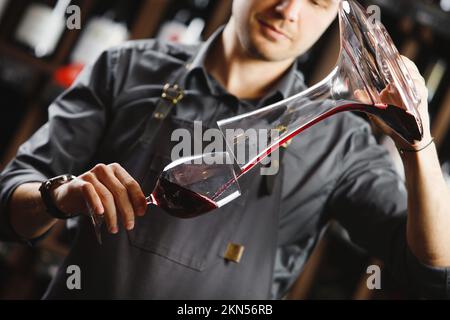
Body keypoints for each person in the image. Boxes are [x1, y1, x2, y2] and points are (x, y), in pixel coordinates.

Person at [1, 0, 450, 299]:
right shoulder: (126, 68)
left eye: (315, 0)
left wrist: (419, 144)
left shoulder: (340, 145)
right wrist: (57, 197)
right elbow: (8, 211)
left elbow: (430, 271)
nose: (287, 9)